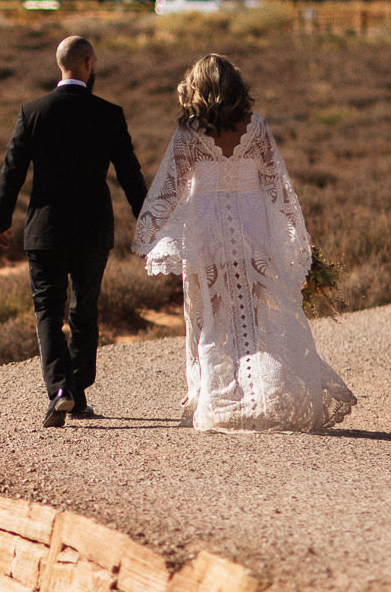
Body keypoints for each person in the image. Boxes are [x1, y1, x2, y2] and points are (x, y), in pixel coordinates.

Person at [131, 53, 354, 432]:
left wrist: (150, 234)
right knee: (260, 310)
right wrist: (293, 235)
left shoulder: (188, 134)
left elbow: (168, 192)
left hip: (206, 230)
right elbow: (276, 185)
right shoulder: (257, 126)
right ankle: (269, 395)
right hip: (254, 224)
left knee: (212, 316)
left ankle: (216, 399)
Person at [0, 35, 150, 428]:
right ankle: (78, 395)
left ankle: (60, 390)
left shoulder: (33, 112)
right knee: (84, 309)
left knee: (48, 310)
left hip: (45, 230)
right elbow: (130, 174)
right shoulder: (109, 114)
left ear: (59, 65)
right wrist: (148, 223)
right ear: (89, 64)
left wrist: (1, 220)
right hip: (93, 230)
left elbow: (12, 170)